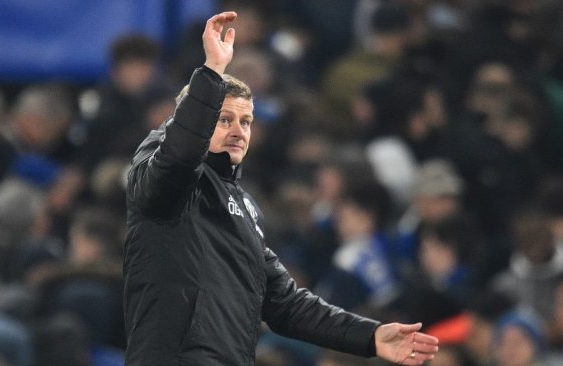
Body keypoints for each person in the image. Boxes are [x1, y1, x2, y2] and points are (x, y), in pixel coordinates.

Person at [123, 11, 439, 366]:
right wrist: (212, 72)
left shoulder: (243, 205)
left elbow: (285, 304)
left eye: (246, 122)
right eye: (224, 119)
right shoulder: (162, 178)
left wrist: (369, 335)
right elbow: (177, 160)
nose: (239, 131)